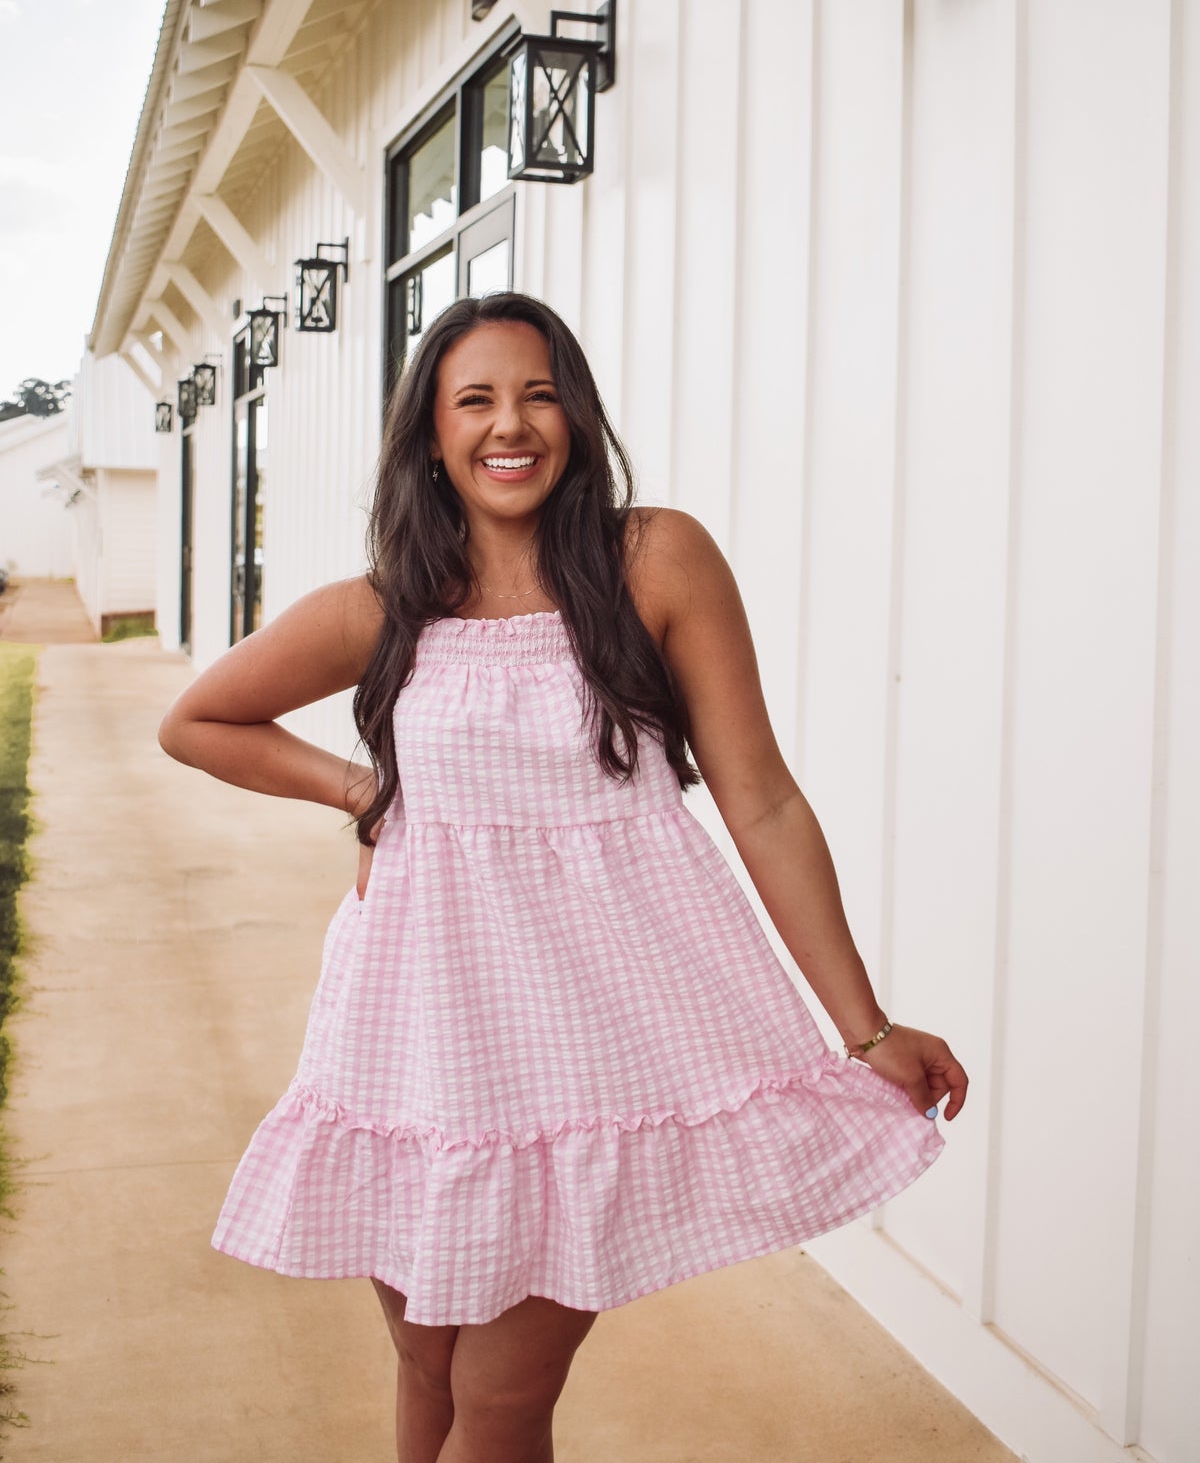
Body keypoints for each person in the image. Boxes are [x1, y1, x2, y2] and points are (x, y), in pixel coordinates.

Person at [159, 291, 967, 1463]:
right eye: (474, 400)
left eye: (538, 394)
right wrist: (366, 794)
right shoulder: (388, 609)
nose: (511, 425)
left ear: (577, 417)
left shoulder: (656, 560)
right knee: (427, 1360)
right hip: (410, 1031)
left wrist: (864, 1027)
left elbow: (764, 799)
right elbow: (200, 720)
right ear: (432, 438)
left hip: (586, 1038)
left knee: (498, 1392)